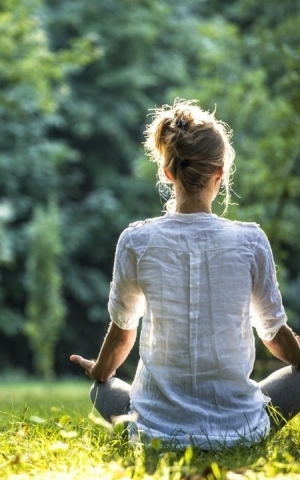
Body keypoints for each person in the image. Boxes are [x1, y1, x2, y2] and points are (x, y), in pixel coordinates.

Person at [70, 98, 300, 449]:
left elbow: (121, 337)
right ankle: (238, 430)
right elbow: (273, 335)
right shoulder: (250, 241)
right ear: (220, 173)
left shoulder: (136, 241)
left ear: (167, 172)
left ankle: (149, 420)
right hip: (240, 431)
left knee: (100, 389)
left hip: (155, 434)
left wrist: (99, 371)